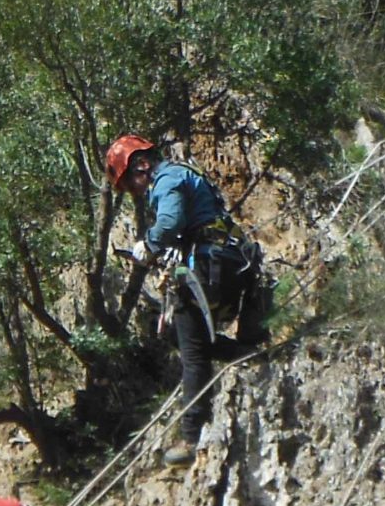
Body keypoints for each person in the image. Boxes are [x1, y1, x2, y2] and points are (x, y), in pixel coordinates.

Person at [103, 134, 269, 464]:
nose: (137, 192)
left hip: (211, 266)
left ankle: (192, 436)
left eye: (133, 184)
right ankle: (246, 352)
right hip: (230, 263)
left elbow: (169, 222)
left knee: (192, 352)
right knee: (179, 337)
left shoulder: (167, 178)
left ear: (143, 165)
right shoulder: (184, 176)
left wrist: (149, 244)